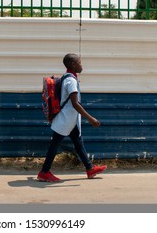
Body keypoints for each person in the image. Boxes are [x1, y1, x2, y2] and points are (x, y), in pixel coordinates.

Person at [37, 53, 107, 182]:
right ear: (73, 65)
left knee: (78, 143)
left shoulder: (69, 77)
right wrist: (90, 118)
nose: (82, 65)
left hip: (70, 119)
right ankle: (44, 172)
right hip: (66, 119)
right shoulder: (71, 81)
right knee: (55, 145)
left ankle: (90, 169)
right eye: (80, 62)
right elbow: (75, 103)